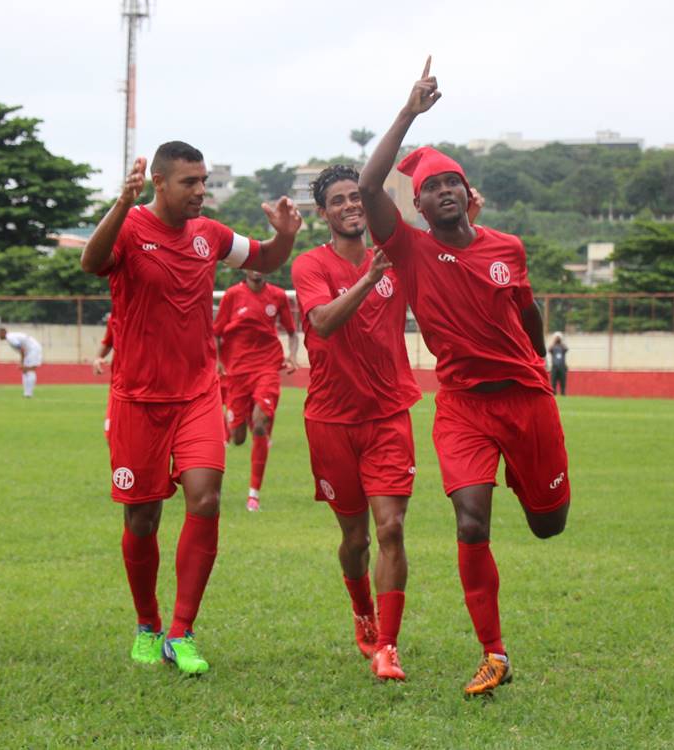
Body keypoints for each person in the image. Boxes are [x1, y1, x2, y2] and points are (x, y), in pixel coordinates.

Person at [359, 58, 571, 696]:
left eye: (455, 182)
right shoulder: (411, 249)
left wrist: (535, 364)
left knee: (547, 525)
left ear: (468, 194)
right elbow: (371, 188)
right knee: (471, 523)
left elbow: (528, 310)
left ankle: (538, 487)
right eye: (433, 187)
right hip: (462, 409)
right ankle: (495, 653)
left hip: (528, 402)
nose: (445, 191)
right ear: (417, 205)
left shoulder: (508, 248)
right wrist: (408, 112)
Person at [81, 141, 301, 674]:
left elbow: (267, 258)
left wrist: (285, 235)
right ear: (159, 182)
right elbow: (91, 263)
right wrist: (119, 204)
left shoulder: (212, 235)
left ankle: (181, 631)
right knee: (142, 518)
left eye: (204, 180)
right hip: (137, 400)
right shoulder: (131, 227)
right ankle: (147, 623)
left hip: (200, 393)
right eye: (190, 182)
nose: (201, 190)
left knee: (204, 499)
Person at [291, 165, 421, 680]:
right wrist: (370, 278)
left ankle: (387, 646)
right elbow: (321, 322)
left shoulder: (395, 258)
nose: (351, 206)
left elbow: (442, 267)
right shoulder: (310, 266)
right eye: (339, 200)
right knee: (356, 539)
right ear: (323, 213)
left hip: (389, 415)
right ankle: (361, 609)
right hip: (331, 420)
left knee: (390, 528)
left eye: (357, 198)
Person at [213, 270, 298, 512]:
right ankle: (250, 417)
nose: (258, 268)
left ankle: (253, 495)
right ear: (244, 268)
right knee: (237, 438)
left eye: (263, 263)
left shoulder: (278, 296)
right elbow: (217, 333)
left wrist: (291, 356)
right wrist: (219, 362)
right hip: (237, 373)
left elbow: (292, 333)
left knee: (260, 424)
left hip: (268, 368)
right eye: (253, 264)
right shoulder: (232, 295)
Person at [92, 313, 117, 442]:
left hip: (164, 391)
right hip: (120, 389)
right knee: (112, 437)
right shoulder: (116, 316)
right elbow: (108, 341)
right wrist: (98, 358)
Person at [0, 327, 42, 398]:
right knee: (25, 370)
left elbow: (22, 349)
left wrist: (21, 362)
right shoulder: (11, 337)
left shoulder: (10, 338)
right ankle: (26, 394)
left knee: (30, 369)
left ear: (3, 333)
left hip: (33, 350)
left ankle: (29, 394)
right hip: (30, 351)